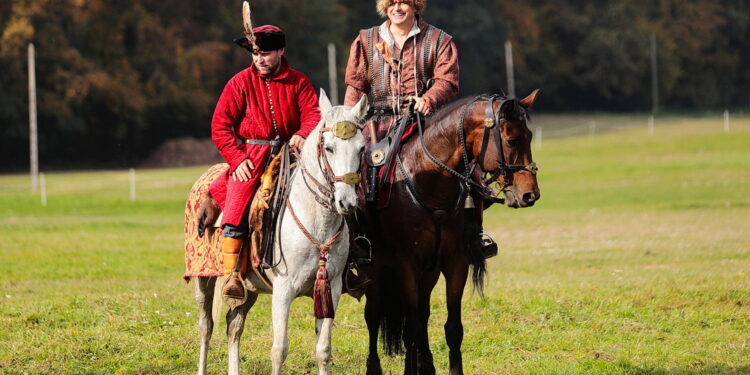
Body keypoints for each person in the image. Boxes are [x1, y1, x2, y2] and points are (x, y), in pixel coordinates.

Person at [344, 0, 498, 259]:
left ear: (415, 5)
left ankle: (473, 235)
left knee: (470, 172)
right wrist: (349, 122)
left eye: (403, 1)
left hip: (425, 124)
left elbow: (447, 80)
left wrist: (428, 99)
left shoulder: (439, 40)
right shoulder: (366, 39)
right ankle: (360, 241)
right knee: (355, 175)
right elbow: (356, 87)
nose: (397, 7)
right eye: (391, 2)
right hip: (378, 126)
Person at [209, 25, 321, 302]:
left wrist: (302, 134)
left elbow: (313, 115)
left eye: (266, 53)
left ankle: (349, 262)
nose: (259, 59)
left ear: (281, 51)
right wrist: (237, 159)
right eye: (255, 53)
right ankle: (233, 274)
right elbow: (220, 126)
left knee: (332, 195)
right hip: (252, 158)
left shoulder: (299, 82)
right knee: (237, 204)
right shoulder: (239, 83)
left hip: (291, 156)